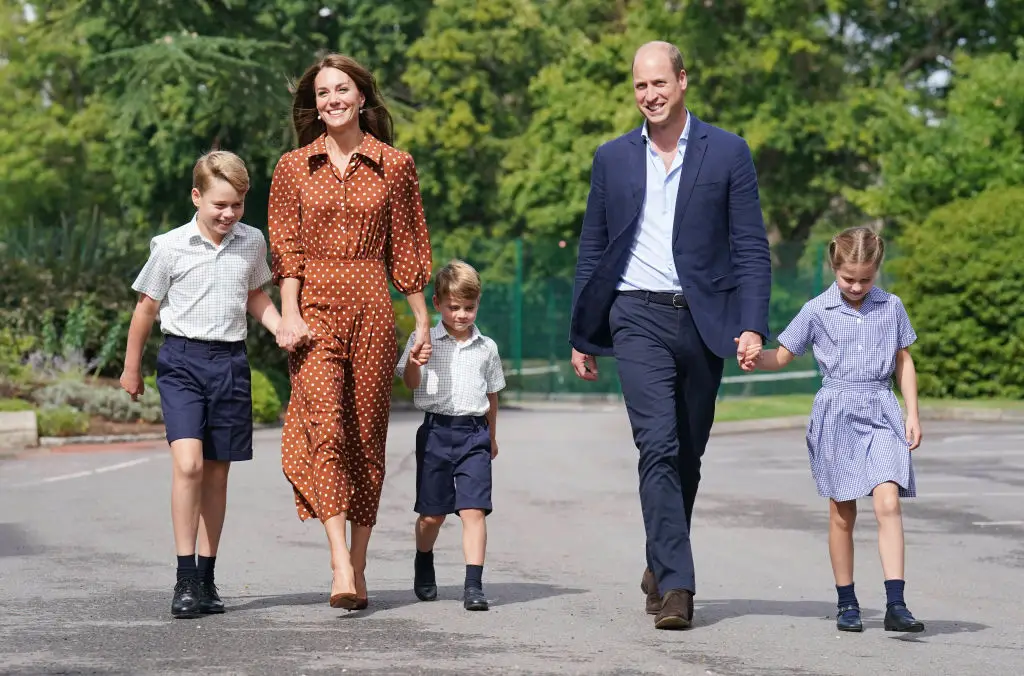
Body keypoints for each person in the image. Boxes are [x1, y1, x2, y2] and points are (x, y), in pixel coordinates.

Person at [568, 41, 771, 630]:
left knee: (687, 452)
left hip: (705, 320)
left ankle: (660, 560)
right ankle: (679, 586)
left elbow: (750, 246)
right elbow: (592, 248)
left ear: (683, 80)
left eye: (659, 82)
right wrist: (583, 330)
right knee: (656, 444)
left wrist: (752, 323)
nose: (650, 95)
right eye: (640, 85)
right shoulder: (612, 158)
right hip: (635, 315)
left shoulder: (728, 151)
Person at [268, 52, 433, 611]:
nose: (332, 99)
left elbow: (406, 246)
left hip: (372, 308)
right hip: (314, 308)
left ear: (361, 97)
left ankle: (359, 562)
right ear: (314, 105)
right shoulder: (293, 166)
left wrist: (421, 319)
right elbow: (286, 249)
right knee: (327, 428)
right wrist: (289, 313)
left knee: (366, 437)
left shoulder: (395, 165)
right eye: (322, 93)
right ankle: (339, 559)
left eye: (342, 89)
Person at [738, 226, 925, 633]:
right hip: (836, 412)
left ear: (877, 271)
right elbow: (782, 356)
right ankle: (847, 603)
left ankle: (896, 604)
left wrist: (912, 412)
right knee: (843, 512)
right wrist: (753, 357)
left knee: (888, 502)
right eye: (848, 278)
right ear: (834, 268)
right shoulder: (816, 310)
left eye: (866, 279)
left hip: (881, 408)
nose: (857, 287)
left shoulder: (891, 306)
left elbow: (903, 360)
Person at [119, 150, 282, 619]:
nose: (229, 214)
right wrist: (132, 368)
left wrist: (281, 327)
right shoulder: (170, 246)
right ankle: (185, 578)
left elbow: (255, 294)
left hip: (230, 363)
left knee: (216, 471)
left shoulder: (251, 242)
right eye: (219, 205)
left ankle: (207, 579)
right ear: (197, 197)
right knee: (188, 465)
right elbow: (146, 309)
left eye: (237, 204)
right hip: (182, 363)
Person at [396, 260, 505, 611]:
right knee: (433, 516)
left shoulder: (486, 347)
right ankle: (423, 558)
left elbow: (492, 395)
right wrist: (415, 361)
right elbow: (409, 383)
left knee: (474, 510)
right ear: (437, 304)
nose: (461, 315)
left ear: (478, 304)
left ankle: (473, 585)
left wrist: (491, 436)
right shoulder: (422, 340)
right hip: (436, 433)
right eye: (454, 307)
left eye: (469, 308)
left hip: (474, 434)